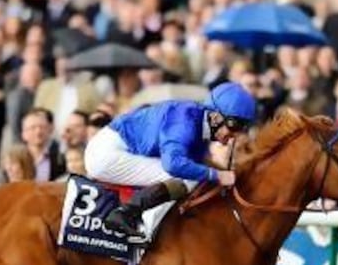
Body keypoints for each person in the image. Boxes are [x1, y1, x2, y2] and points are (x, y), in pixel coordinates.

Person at [84, 81, 256, 239]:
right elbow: (172, 164)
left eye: (241, 129)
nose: (233, 136)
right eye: (234, 126)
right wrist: (216, 175)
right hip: (106, 153)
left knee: (192, 176)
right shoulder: (184, 122)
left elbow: (197, 165)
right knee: (187, 178)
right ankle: (131, 218)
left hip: (117, 148)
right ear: (216, 116)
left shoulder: (201, 127)